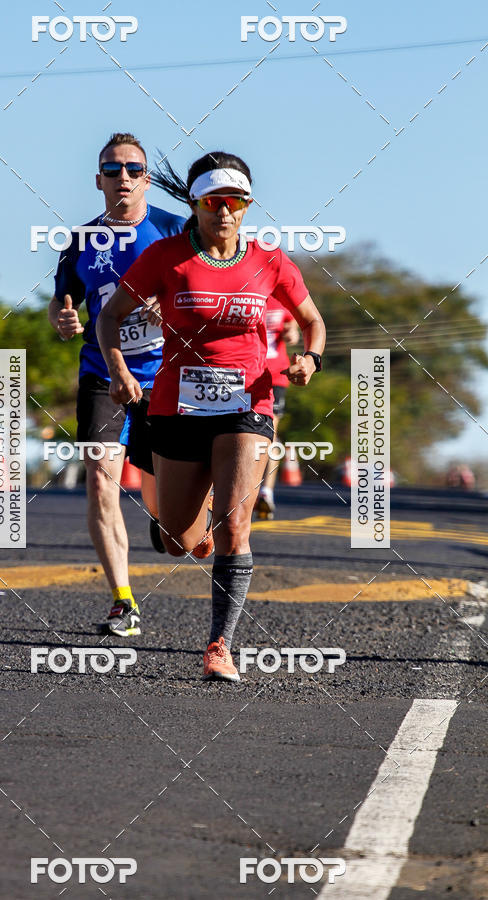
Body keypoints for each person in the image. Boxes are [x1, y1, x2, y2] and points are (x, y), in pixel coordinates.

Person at [96, 151, 326, 681]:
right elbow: (111, 318)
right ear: (195, 205)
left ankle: (220, 645)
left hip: (248, 404)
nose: (224, 213)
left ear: (247, 207)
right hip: (176, 406)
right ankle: (186, 526)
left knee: (235, 526)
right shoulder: (167, 258)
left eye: (235, 203)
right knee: (178, 538)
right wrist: (118, 371)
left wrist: (309, 358)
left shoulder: (270, 261)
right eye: (212, 203)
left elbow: (312, 321)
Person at [49, 133, 184, 636]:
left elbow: (207, 287)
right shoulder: (81, 240)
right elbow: (62, 300)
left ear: (146, 178)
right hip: (102, 374)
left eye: (132, 168)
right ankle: (123, 600)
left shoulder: (175, 230)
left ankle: (169, 513)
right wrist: (62, 318)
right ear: (99, 180)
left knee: (172, 511)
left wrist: (168, 307)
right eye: (112, 169)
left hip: (169, 374)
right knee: (102, 481)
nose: (122, 177)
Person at [253, 296, 300, 519]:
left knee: (269, 434)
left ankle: (266, 493)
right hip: (243, 373)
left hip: (275, 376)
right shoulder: (242, 290)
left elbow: (293, 329)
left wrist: (292, 333)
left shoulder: (281, 299)